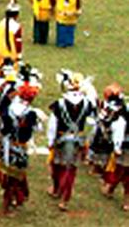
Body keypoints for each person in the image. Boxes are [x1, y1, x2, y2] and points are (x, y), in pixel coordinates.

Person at [47, 71, 96, 211]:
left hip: (60, 139)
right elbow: (92, 121)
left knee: (57, 166)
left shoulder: (59, 104)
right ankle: (64, 199)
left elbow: (52, 124)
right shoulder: (87, 103)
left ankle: (56, 189)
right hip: (77, 141)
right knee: (70, 170)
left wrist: (50, 141)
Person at [0, 78, 42, 216]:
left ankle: (15, 198)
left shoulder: (8, 110)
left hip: (6, 146)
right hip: (20, 149)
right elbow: (37, 129)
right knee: (13, 179)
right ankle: (6, 207)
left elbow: (1, 129)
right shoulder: (31, 114)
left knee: (10, 177)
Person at [99, 84, 129, 211]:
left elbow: (120, 128)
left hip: (126, 145)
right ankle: (112, 190)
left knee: (122, 170)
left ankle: (116, 192)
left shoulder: (124, 112)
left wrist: (117, 146)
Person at [0, 0, 22, 69]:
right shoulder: (16, 26)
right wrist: (19, 56)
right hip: (11, 57)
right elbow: (18, 43)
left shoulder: (0, 24)